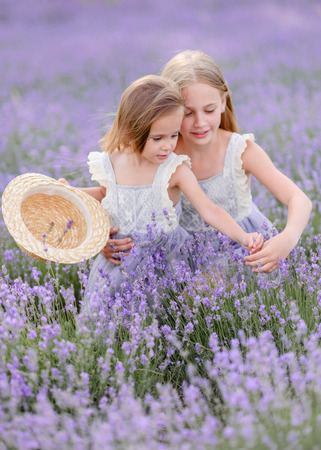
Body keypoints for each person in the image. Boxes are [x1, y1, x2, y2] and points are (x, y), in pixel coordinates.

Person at [103, 51, 312, 274]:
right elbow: (123, 201)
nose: (200, 123)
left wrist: (288, 238)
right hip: (180, 255)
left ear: (223, 103)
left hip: (244, 251)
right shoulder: (159, 154)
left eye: (209, 110)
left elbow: (298, 198)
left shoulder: (240, 151)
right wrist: (110, 239)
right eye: (188, 113)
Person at [68, 75, 263, 297]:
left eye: (173, 135)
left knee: (162, 320)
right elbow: (106, 194)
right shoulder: (113, 160)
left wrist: (243, 237)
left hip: (165, 265)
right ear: (132, 131)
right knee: (111, 318)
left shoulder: (174, 169)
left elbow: (210, 210)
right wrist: (70, 194)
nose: (169, 146)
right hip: (119, 264)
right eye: (157, 138)